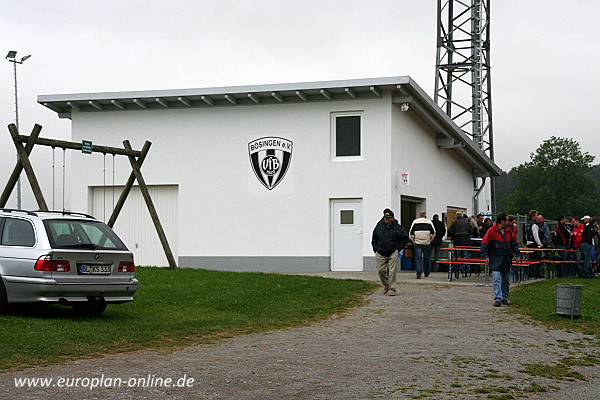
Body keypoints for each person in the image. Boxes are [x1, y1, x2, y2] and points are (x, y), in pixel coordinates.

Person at [480, 213, 521, 307]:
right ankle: (498, 298)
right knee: (496, 279)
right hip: (495, 258)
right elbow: (484, 244)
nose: (508, 222)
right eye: (507, 220)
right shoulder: (491, 231)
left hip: (506, 259)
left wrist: (518, 254)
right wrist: (485, 256)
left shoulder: (508, 231)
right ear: (502, 221)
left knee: (506, 280)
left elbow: (514, 243)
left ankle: (504, 297)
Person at [371, 208, 410, 296]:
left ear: (392, 218)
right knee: (381, 270)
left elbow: (404, 239)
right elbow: (374, 238)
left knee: (392, 271)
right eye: (385, 218)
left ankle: (392, 289)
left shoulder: (398, 228)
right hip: (380, 251)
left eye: (388, 218)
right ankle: (386, 285)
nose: (386, 219)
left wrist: (398, 249)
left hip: (392, 251)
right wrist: (375, 249)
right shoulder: (379, 226)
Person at [409, 211, 436, 279]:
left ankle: (418, 273)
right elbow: (433, 233)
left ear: (419, 215)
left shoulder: (415, 222)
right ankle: (426, 272)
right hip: (426, 243)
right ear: (425, 216)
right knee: (427, 258)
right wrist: (430, 240)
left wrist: (414, 240)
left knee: (418, 258)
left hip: (417, 243)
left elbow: (411, 233)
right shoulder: (429, 222)